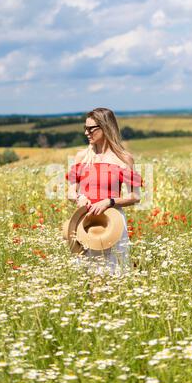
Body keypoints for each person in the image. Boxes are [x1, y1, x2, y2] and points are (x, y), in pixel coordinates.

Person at [65, 107, 144, 276]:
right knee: (86, 276)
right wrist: (79, 197)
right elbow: (70, 192)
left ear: (105, 127)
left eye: (90, 129)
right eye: (84, 128)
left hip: (112, 223)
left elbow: (135, 196)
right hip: (85, 223)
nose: (86, 133)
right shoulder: (82, 157)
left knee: (115, 273)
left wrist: (110, 201)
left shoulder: (124, 159)